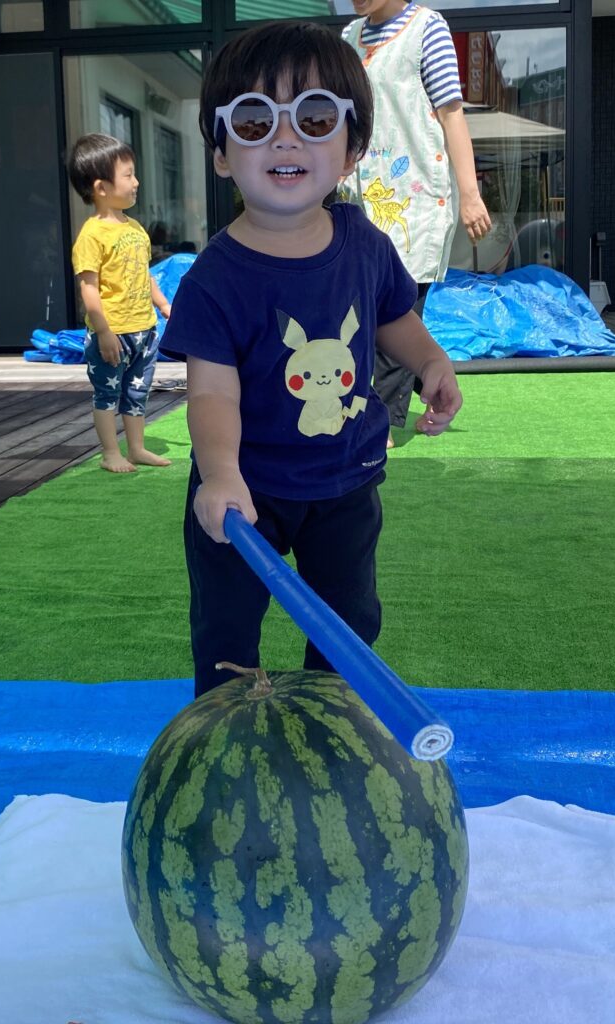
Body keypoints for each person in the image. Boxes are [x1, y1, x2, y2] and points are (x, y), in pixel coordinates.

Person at [160, 20, 462, 695]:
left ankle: (334, 715)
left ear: (352, 149)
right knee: (226, 626)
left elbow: (395, 317)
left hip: (346, 479)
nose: (285, 137)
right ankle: (227, 720)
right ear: (220, 152)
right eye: (254, 119)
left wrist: (431, 362)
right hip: (245, 490)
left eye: (315, 117)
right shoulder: (214, 279)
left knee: (348, 620)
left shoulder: (364, 243)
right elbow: (211, 393)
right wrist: (220, 475)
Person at [343, 0, 491, 447]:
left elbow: (451, 113)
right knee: (356, 306)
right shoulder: (349, 38)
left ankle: (383, 419)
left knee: (398, 306)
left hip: (413, 197)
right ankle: (375, 401)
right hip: (358, 196)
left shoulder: (427, 29)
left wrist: (470, 194)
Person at [67, 133, 173, 473]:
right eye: (128, 175)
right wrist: (103, 331)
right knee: (107, 394)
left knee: (137, 392)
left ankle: (136, 448)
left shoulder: (136, 229)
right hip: (112, 332)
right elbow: (88, 288)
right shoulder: (92, 235)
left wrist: (163, 306)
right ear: (101, 188)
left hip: (144, 329)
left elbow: (145, 274)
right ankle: (110, 452)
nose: (136, 182)